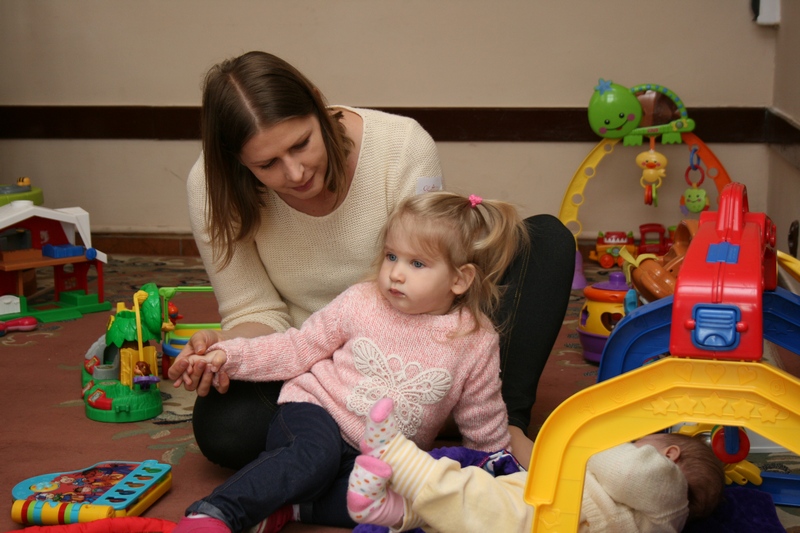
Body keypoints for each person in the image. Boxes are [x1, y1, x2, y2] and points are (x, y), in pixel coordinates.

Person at [168, 50, 575, 471]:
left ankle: (498, 424)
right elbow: (256, 311)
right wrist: (226, 349)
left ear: (319, 105)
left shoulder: (402, 145)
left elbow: (431, 274)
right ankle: (394, 432)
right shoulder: (211, 186)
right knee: (225, 428)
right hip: (322, 372)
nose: (295, 173)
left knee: (546, 242)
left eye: (302, 144)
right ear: (237, 162)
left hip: (429, 341)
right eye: (267, 164)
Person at [171, 192, 529, 532]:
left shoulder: (475, 339)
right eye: (391, 256)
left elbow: (482, 417)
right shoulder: (362, 301)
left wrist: (495, 478)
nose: (396, 273)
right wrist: (230, 355)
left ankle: (292, 507)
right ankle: (216, 511)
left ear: (460, 279)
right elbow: (297, 348)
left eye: (417, 263)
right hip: (317, 411)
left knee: (407, 502)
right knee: (316, 455)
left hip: (380, 454)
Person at [347, 399, 726, 533]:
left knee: (478, 501)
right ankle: (392, 509)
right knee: (473, 505)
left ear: (669, 455)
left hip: (552, 521)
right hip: (543, 502)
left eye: (640, 444)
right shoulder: (652, 507)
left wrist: (593, 440)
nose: (631, 445)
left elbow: (627, 471)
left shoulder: (670, 496)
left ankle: (395, 454)